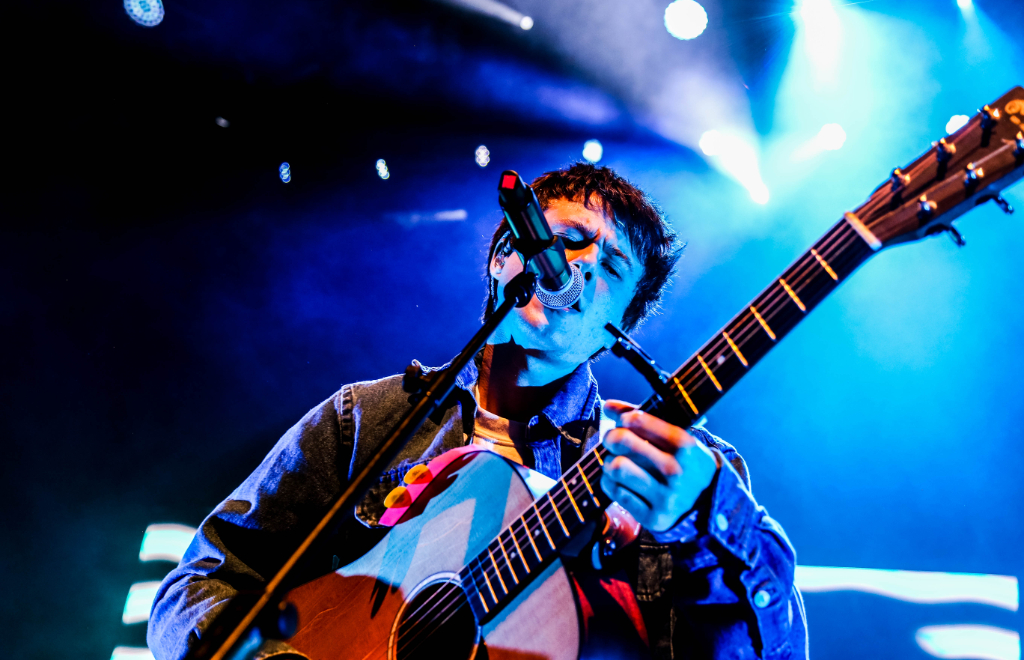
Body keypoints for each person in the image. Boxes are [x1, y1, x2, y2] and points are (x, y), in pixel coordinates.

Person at [148, 163, 808, 659]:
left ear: (618, 327)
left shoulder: (664, 466)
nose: (578, 268)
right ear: (505, 257)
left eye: (610, 267)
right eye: (568, 239)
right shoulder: (365, 419)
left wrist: (707, 520)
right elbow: (200, 583)